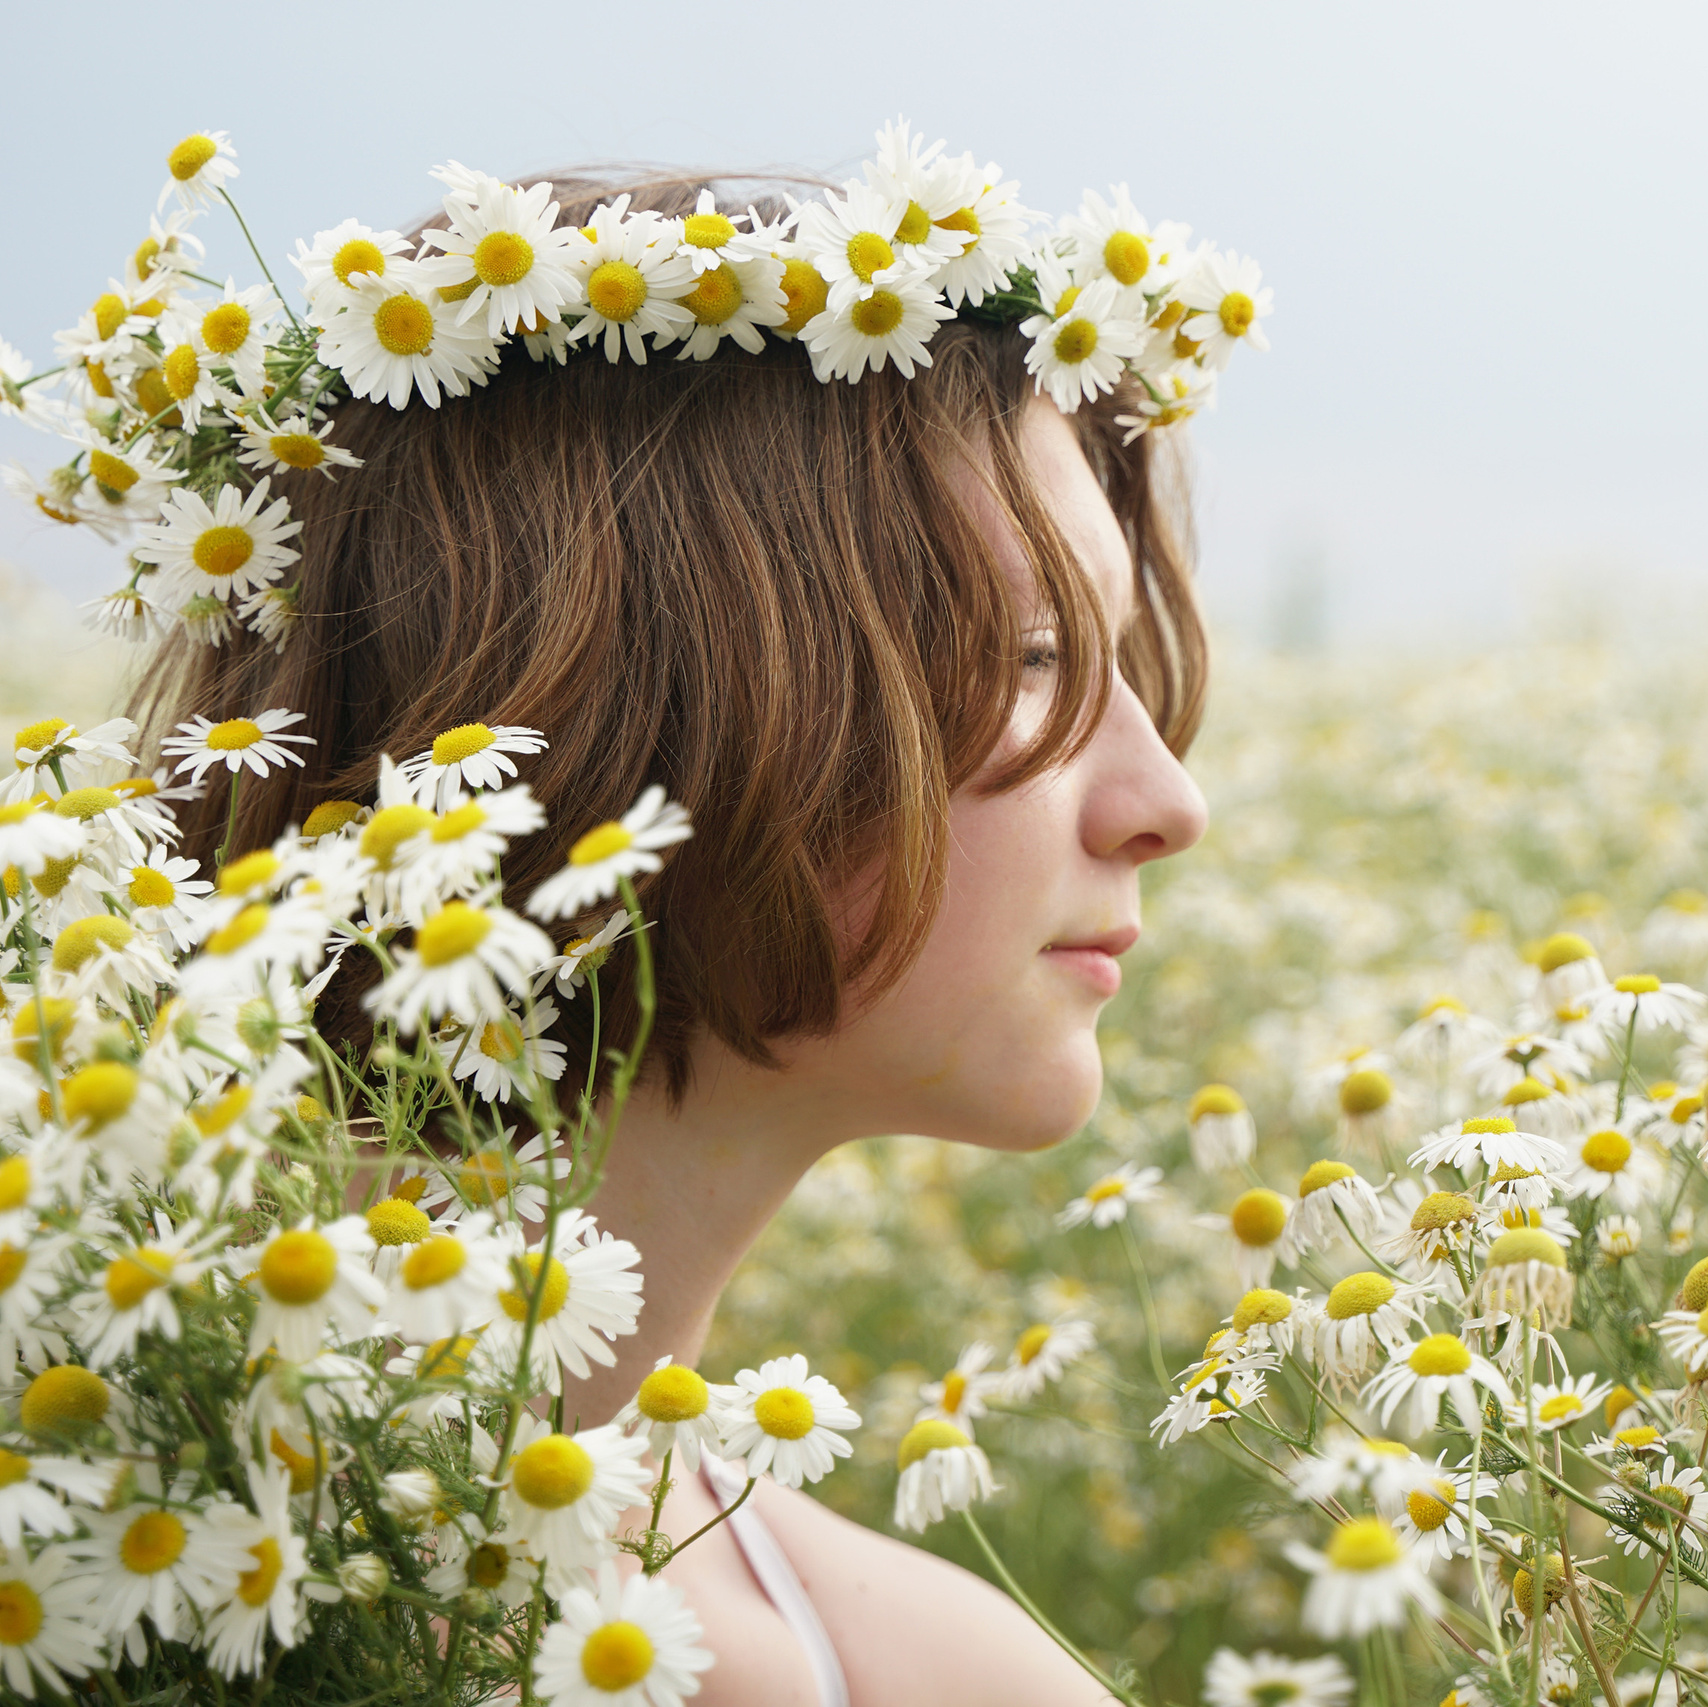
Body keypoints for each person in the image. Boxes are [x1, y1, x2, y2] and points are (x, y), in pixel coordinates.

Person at [131, 166, 1215, 1705]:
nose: (1165, 801)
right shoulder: (118, 1518)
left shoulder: (937, 1672)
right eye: (1034, 655)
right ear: (662, 697)